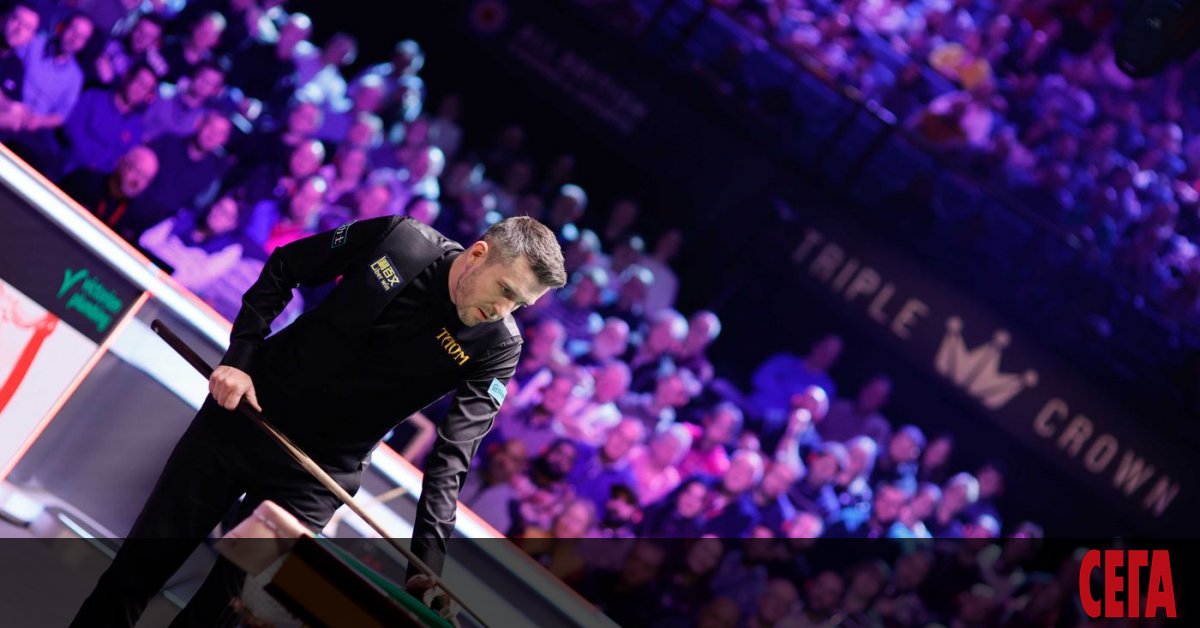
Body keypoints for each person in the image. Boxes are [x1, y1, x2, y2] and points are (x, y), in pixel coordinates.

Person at [70, 215, 568, 626]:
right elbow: (285, 265)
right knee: (137, 571)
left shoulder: (499, 347)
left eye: (519, 304)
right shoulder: (400, 240)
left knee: (220, 612)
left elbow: (451, 461)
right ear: (478, 254)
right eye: (504, 290)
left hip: (315, 477)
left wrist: (426, 569)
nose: (503, 310)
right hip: (245, 416)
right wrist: (240, 359)